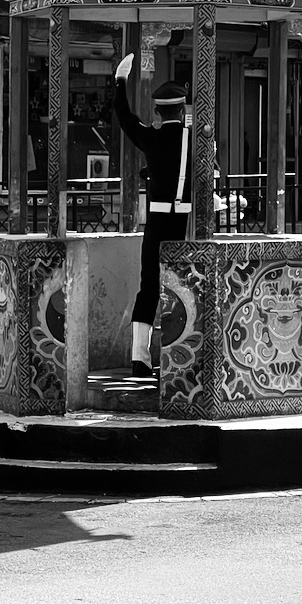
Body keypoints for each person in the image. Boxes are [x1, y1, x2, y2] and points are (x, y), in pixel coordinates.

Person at [113, 56, 191, 377]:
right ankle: (180, 357)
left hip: (156, 225)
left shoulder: (151, 137)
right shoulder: (193, 143)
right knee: (184, 288)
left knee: (149, 288)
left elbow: (124, 117)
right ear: (182, 110)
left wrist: (120, 80)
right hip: (186, 226)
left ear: (158, 112)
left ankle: (140, 358)